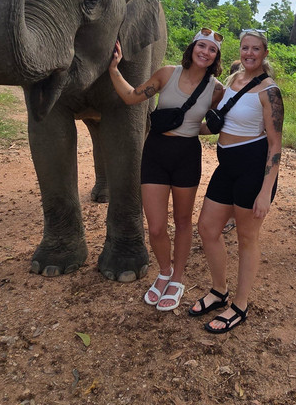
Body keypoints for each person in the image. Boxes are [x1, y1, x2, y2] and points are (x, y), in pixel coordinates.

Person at [109, 29, 226, 311]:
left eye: (211, 50)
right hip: (156, 153)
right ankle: (163, 271)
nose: (205, 53)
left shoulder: (216, 89)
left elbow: (213, 125)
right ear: (192, 47)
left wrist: (189, 129)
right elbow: (130, 97)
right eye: (201, 46)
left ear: (216, 57)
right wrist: (113, 68)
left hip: (187, 155)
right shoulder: (166, 74)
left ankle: (177, 278)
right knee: (157, 225)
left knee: (184, 222)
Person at [190, 29, 284, 333]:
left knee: (247, 238)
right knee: (207, 228)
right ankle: (219, 290)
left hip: (253, 170)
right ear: (239, 51)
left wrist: (265, 191)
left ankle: (240, 305)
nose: (249, 54)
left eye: (256, 49)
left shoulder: (269, 91)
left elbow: (275, 146)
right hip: (226, 166)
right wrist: (181, 127)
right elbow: (216, 125)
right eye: (245, 48)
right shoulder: (231, 82)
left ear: (265, 53)